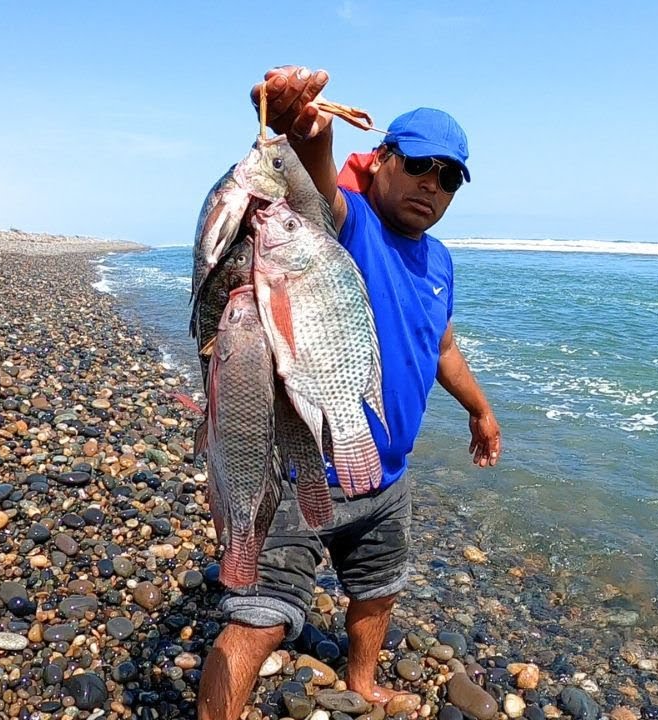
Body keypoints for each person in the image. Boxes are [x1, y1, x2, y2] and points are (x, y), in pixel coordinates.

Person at [197, 65, 501, 720]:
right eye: (420, 164)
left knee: (379, 592)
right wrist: (305, 129)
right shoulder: (344, 222)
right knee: (262, 619)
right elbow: (315, 182)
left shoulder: (440, 259)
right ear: (384, 158)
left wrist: (480, 410)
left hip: (389, 478)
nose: (432, 184)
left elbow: (440, 345)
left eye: (450, 177)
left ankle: (361, 681)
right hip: (308, 464)